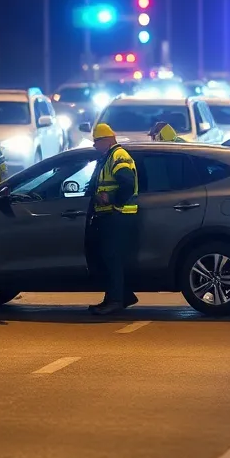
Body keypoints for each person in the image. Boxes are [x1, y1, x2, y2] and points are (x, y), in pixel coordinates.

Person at [89, 123, 139, 315]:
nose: (94, 146)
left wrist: (114, 202)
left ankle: (116, 300)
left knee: (112, 258)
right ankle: (120, 296)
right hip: (111, 215)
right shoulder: (109, 156)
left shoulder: (118, 156)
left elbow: (127, 182)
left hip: (118, 215)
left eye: (96, 142)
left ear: (107, 140)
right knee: (108, 258)